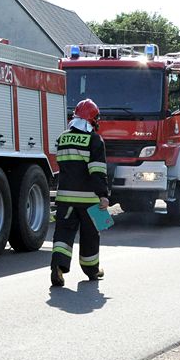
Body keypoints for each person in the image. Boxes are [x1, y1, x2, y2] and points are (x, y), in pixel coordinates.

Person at [50, 98, 110, 287]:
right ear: (93, 120)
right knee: (91, 234)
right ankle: (92, 270)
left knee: (63, 234)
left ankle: (58, 267)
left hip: (65, 198)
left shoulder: (62, 138)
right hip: (89, 199)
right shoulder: (94, 140)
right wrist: (103, 195)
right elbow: (97, 171)